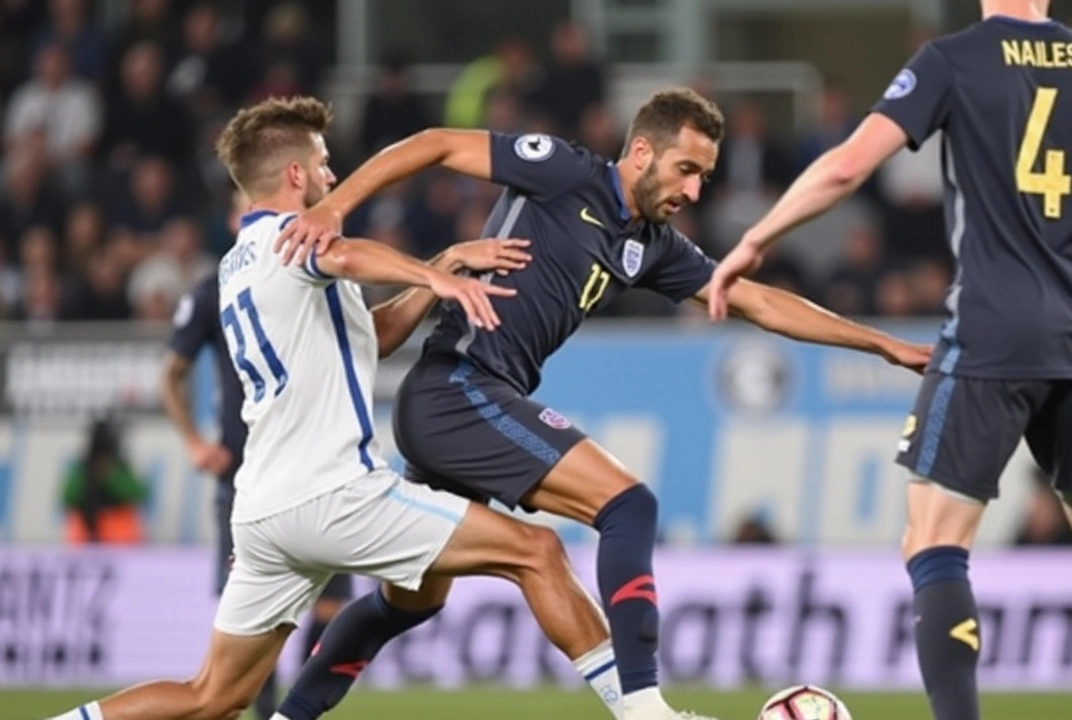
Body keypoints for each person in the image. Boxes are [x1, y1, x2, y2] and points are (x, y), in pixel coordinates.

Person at [274, 86, 931, 720]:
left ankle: (289, 716)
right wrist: (338, 208)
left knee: (408, 604)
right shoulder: (564, 171)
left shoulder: (651, 246)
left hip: (469, 404)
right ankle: (644, 706)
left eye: (704, 176)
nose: (694, 190)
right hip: (459, 386)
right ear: (641, 152)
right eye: (686, 170)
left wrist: (879, 344)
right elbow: (438, 144)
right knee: (628, 504)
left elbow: (756, 300)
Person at [704, 2, 1072, 720]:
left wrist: (754, 241)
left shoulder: (952, 59)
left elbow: (848, 165)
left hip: (988, 333)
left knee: (934, 542)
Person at [46, 95, 614, 720]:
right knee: (536, 552)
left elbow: (367, 339)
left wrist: (441, 263)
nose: (332, 177)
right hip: (332, 494)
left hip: (263, 511)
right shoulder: (295, 241)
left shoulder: (238, 265)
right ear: (295, 175)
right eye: (322, 163)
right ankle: (642, 711)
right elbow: (340, 254)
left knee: (212, 696)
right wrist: (438, 282)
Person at [161, 192, 352, 720]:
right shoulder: (211, 291)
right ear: (232, 220)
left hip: (312, 468)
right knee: (252, 627)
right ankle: (266, 709)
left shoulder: (298, 276)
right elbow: (170, 373)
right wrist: (195, 442)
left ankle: (289, 710)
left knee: (334, 611)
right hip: (247, 476)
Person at [61, 417, 147, 544]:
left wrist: (110, 475)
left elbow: (138, 493)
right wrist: (89, 478)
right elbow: (67, 496)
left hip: (117, 535)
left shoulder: (119, 468)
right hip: (86, 531)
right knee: (76, 522)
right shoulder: (82, 468)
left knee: (125, 520)